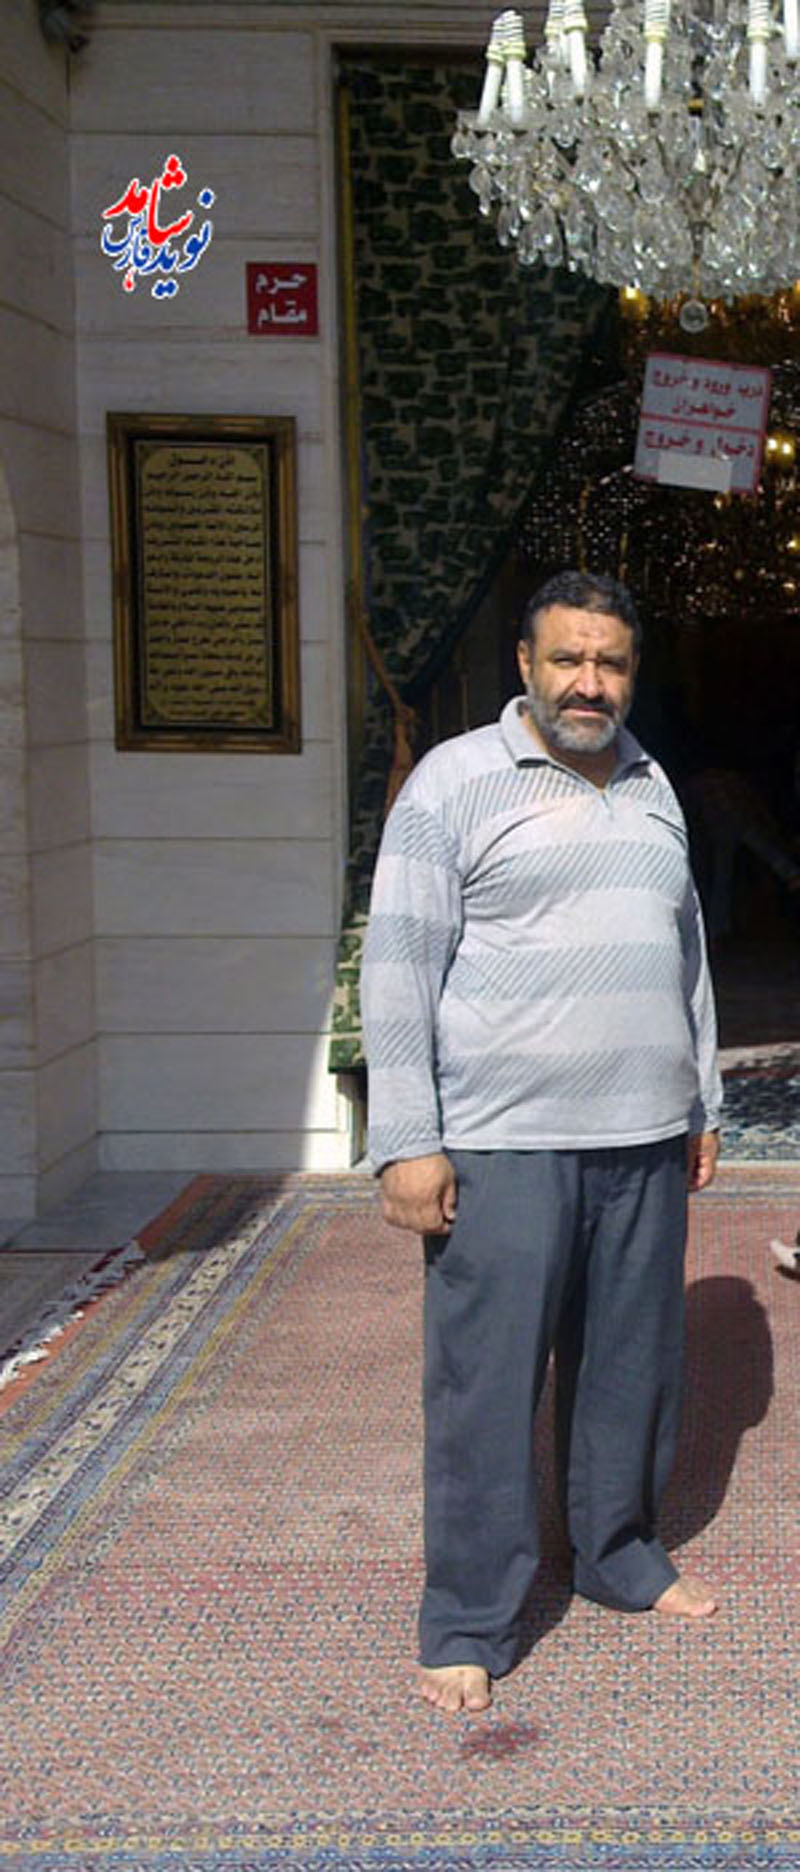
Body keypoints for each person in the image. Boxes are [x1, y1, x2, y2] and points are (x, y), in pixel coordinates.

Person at [360, 569, 723, 1716]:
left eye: (608, 662)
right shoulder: (455, 782)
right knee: (485, 1388)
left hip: (639, 1136)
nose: (588, 683)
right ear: (524, 664)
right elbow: (397, 963)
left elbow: (683, 954)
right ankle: (468, 1617)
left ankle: (616, 1555)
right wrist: (405, 1139)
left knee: (628, 1371)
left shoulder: (651, 782)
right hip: (503, 1143)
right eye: (567, 658)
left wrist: (699, 1101)